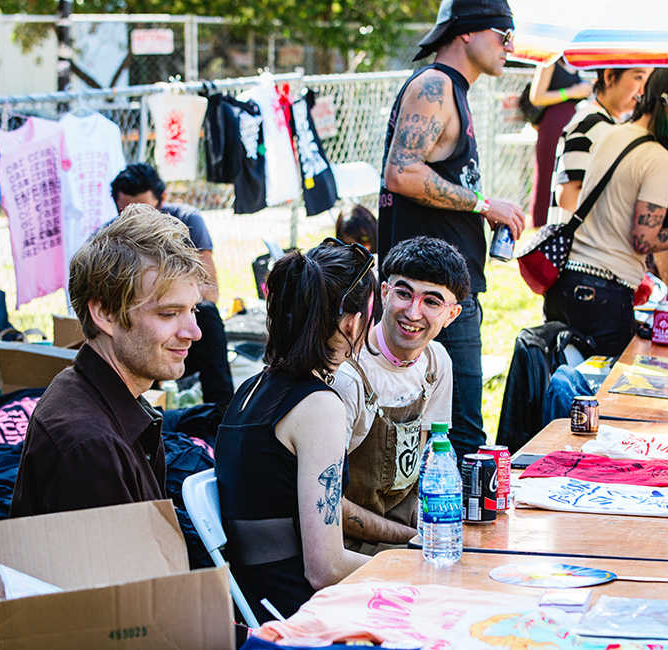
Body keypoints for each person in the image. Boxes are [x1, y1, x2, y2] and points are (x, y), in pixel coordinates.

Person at [379, 0, 527, 460]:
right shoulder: (435, 85)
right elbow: (401, 172)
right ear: (467, 31)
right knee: (461, 438)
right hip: (427, 295)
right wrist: (483, 204)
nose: (510, 47)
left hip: (442, 292)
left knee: (446, 433)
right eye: (504, 35)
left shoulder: (452, 90)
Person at [10, 205, 209, 518]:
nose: (194, 333)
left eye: (193, 310)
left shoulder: (90, 392)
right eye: (168, 313)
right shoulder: (91, 447)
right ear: (104, 314)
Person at [215, 239, 376, 622]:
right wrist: (408, 569)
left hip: (253, 607)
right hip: (298, 619)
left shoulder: (250, 389)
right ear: (353, 323)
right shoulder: (319, 407)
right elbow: (325, 569)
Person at [543, 69, 668, 356]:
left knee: (569, 378)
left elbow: (623, 203)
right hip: (605, 293)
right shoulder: (658, 158)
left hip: (568, 283)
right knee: (605, 384)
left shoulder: (613, 133)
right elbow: (644, 240)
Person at [335, 236, 469, 554]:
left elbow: (421, 470)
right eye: (404, 294)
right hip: (350, 549)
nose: (413, 312)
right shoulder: (348, 375)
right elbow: (325, 505)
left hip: (406, 539)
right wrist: (409, 537)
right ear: (384, 292)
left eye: (432, 302)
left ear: (451, 315)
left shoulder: (436, 363)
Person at [111, 162, 234, 405]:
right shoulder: (110, 238)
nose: (136, 221)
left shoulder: (187, 222)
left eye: (145, 212)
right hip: (136, 335)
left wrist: (167, 305)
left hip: (180, 337)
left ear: (162, 199)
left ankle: (221, 413)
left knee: (208, 316)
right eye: (125, 213)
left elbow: (210, 291)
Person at [554, 67, 654, 214]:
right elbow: (567, 197)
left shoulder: (608, 123)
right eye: (638, 77)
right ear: (609, 76)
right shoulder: (590, 124)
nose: (643, 90)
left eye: (648, 80)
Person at [527, 58, 592, 227]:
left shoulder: (573, 62)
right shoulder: (549, 61)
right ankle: (540, 225)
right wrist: (570, 92)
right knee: (547, 173)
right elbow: (536, 97)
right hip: (553, 124)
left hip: (571, 123)